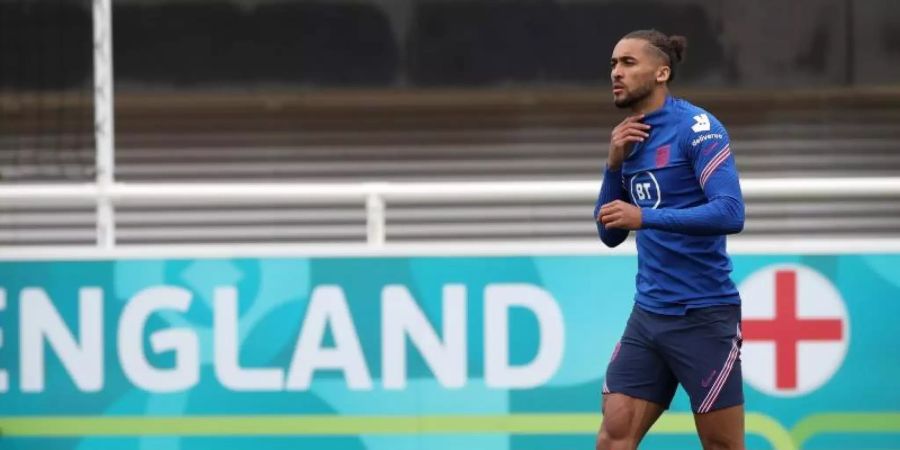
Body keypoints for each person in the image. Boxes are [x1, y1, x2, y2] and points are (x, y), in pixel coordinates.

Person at [593, 29, 746, 450]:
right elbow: (609, 233)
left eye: (628, 63)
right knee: (613, 436)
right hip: (649, 316)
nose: (616, 73)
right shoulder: (628, 136)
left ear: (662, 72)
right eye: (612, 64)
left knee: (722, 445)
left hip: (704, 315)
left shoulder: (697, 128)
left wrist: (645, 217)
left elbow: (731, 212)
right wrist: (612, 166)